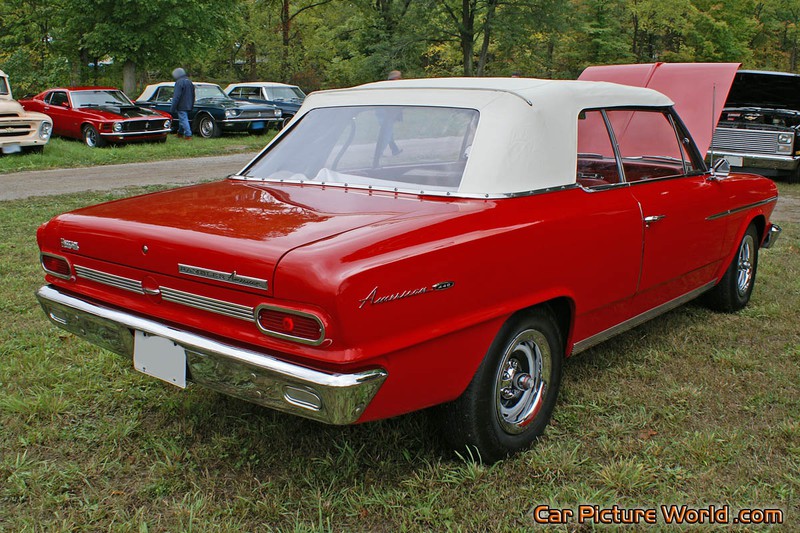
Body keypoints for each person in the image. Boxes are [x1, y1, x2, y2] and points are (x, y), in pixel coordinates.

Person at [171, 68, 195, 139]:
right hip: (189, 104)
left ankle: (188, 135)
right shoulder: (189, 82)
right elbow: (193, 94)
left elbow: (176, 96)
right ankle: (180, 133)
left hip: (181, 105)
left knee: (183, 119)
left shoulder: (179, 82)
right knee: (182, 119)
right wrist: (192, 104)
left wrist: (173, 107)